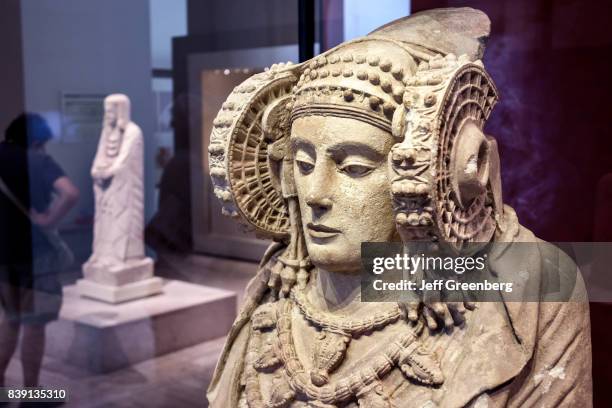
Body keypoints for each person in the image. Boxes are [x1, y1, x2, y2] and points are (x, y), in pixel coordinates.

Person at [206, 8, 591, 408]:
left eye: (354, 167)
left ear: (426, 174)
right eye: (303, 165)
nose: (315, 195)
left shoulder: (538, 286)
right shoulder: (279, 282)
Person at [0, 113, 79, 389]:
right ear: (35, 141)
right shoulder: (37, 160)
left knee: (10, 320)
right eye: (43, 143)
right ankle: (32, 393)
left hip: (3, 256)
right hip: (37, 257)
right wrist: (48, 219)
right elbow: (70, 193)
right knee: (34, 325)